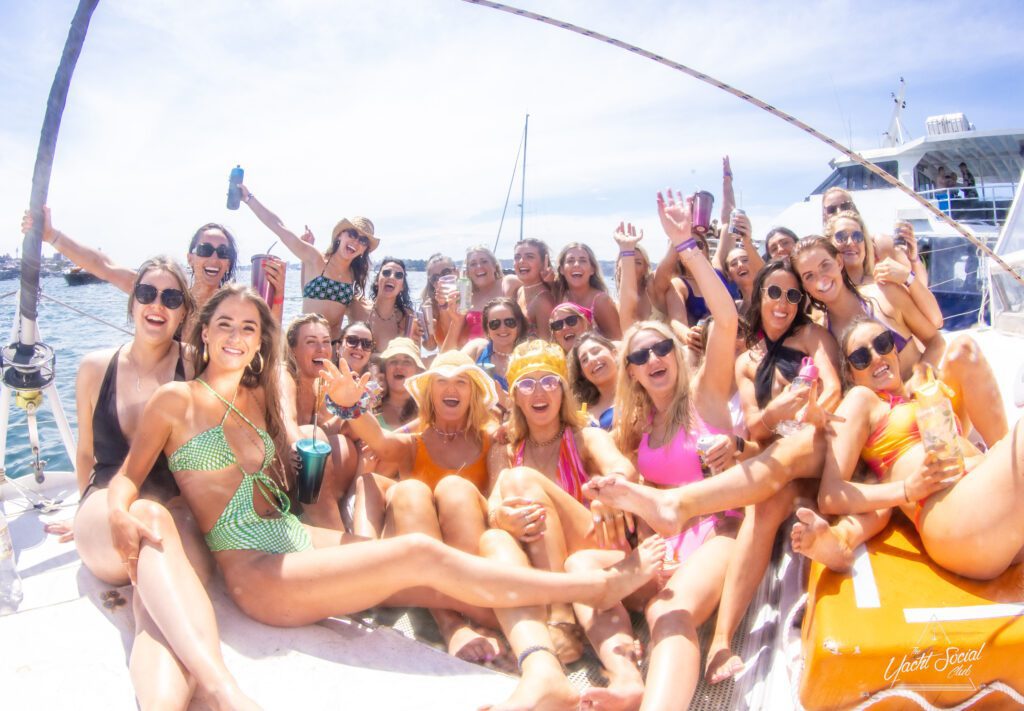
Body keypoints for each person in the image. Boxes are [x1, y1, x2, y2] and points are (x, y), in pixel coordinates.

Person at [107, 285, 664, 695]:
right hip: (254, 565)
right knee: (422, 555)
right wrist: (116, 512)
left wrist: (339, 416)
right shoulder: (174, 401)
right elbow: (129, 476)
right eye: (224, 325)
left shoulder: (256, 402)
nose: (235, 337)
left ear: (259, 341)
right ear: (203, 332)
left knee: (445, 584)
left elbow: (292, 480)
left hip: (291, 536)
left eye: (248, 328)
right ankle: (588, 593)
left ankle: (544, 664)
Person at [563, 193, 746, 711]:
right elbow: (626, 319)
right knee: (580, 567)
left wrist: (686, 246)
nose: (652, 357)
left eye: (662, 347)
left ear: (675, 353)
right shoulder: (639, 423)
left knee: (671, 612)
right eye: (640, 355)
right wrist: (613, 500)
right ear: (634, 372)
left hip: (718, 530)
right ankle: (625, 675)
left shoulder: (705, 398)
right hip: (663, 541)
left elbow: (726, 320)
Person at [72, 257, 255, 710]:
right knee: (148, 515)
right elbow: (85, 453)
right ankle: (224, 690)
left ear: (183, 312)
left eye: (171, 298)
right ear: (133, 302)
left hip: (176, 512)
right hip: (107, 504)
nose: (157, 305)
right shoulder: (96, 367)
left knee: (154, 616)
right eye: (147, 294)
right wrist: (83, 511)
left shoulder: (194, 366)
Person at [793, 317, 1022, 582]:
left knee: (964, 347)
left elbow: (959, 354)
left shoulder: (922, 394)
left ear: (895, 349)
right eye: (861, 357)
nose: (877, 356)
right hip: (953, 514)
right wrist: (907, 489)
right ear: (850, 374)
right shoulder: (863, 400)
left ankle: (1003, 456)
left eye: (882, 343)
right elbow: (830, 495)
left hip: (997, 507)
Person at [704, 260, 842, 684]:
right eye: (774, 293)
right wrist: (777, 413)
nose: (783, 303)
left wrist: (806, 414)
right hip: (778, 465)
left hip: (820, 449)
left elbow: (834, 390)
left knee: (793, 448)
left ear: (801, 303)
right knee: (763, 510)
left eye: (793, 295)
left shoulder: (811, 336)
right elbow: (754, 426)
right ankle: (721, 640)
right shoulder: (747, 361)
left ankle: (691, 501)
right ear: (760, 297)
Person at [20, 208, 281, 330]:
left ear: (228, 262)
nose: (213, 258)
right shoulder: (166, 296)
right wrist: (52, 235)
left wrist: (277, 295)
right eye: (205, 250)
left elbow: (268, 341)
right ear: (190, 258)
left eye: (223, 253)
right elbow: (105, 267)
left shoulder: (236, 307)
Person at [240, 183, 376, 339]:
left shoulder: (354, 275)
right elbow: (279, 228)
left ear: (364, 249)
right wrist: (249, 198)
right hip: (305, 344)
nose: (356, 241)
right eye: (352, 234)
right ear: (340, 235)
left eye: (363, 240)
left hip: (332, 348)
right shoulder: (315, 259)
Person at [454, 296, 528, 396]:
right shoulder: (477, 348)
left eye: (509, 322)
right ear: (487, 328)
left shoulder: (529, 355)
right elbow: (445, 367)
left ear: (519, 325)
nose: (502, 328)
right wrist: (456, 321)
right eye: (495, 323)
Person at [553, 242, 622, 339]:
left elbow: (617, 340)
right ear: (561, 270)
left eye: (583, 261)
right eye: (570, 261)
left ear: (592, 269)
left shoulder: (601, 301)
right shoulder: (559, 295)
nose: (576, 264)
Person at [463, 246, 522, 341]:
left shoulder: (508, 283)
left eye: (484, 261)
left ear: (495, 266)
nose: (479, 267)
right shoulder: (467, 296)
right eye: (473, 264)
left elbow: (534, 287)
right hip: (475, 352)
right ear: (468, 272)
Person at [365, 257, 420, 353]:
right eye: (386, 273)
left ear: (402, 286)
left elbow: (414, 355)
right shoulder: (358, 307)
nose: (392, 277)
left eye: (398, 275)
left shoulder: (407, 317)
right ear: (377, 280)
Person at [612, 222, 659, 331]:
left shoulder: (654, 287)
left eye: (638, 262)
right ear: (618, 266)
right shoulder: (612, 304)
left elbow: (665, 268)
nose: (630, 266)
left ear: (645, 268)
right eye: (627, 261)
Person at [567, 331, 618, 431]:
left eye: (596, 351)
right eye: (584, 360)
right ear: (582, 373)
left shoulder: (637, 394)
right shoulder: (581, 412)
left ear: (614, 354)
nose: (591, 359)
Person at [513, 238, 557, 340]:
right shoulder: (520, 291)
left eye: (529, 257)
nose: (521, 261)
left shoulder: (543, 301)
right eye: (517, 257)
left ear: (543, 263)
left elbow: (546, 345)